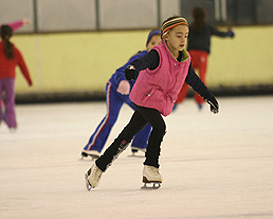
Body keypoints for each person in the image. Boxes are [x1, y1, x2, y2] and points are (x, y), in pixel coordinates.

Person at [85, 15, 219, 190]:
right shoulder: (158, 53)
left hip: (158, 101)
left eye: (185, 35)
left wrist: (209, 96)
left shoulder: (184, 60)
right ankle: (151, 168)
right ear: (166, 36)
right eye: (178, 35)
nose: (183, 40)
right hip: (144, 97)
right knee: (159, 127)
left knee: (126, 136)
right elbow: (143, 61)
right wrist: (133, 68)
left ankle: (98, 166)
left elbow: (194, 80)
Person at [81, 29, 162, 159]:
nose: (155, 46)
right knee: (111, 117)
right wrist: (123, 80)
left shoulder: (160, 64)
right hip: (115, 88)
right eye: (153, 43)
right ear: (147, 45)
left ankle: (139, 144)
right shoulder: (140, 58)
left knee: (148, 114)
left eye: (159, 44)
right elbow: (120, 71)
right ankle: (93, 147)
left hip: (132, 94)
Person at [174, 7, 234, 111]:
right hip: (202, 55)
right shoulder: (207, 27)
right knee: (201, 78)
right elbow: (220, 34)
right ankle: (200, 101)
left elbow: (180, 37)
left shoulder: (190, 27)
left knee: (184, 78)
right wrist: (229, 33)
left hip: (190, 55)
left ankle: (176, 101)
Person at [0, 25, 32, 131]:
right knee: (10, 101)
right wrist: (28, 80)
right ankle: (12, 123)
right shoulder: (15, 50)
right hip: (10, 78)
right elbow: (23, 66)